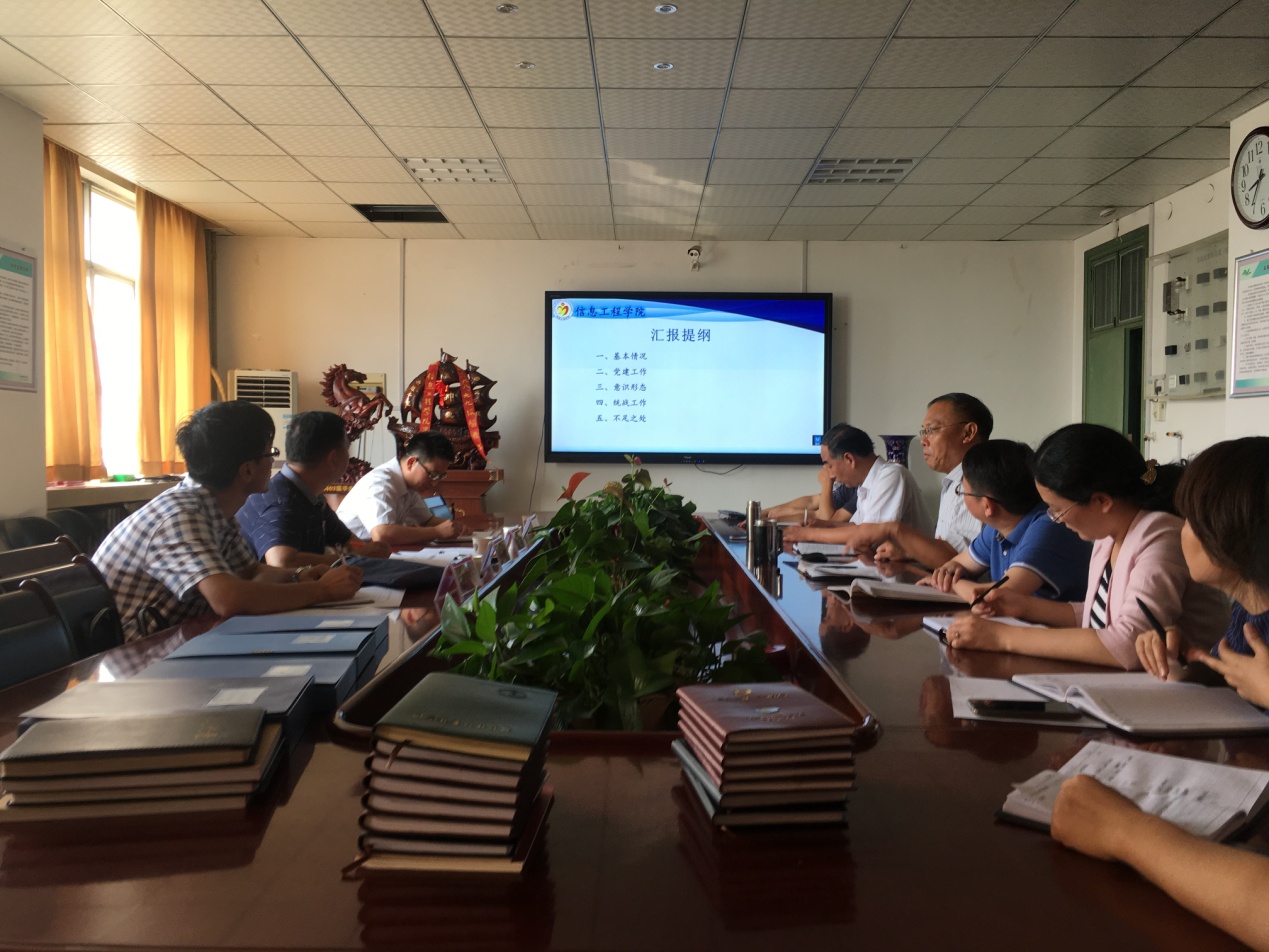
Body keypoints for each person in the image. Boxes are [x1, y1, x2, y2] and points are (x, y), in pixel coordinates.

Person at [943, 423, 1227, 664]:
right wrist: (1022, 607)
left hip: (1199, 690)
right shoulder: (1108, 537)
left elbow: (1129, 643)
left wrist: (1003, 637)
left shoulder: (1159, 537)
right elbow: (1098, 617)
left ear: (1101, 501)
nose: (1055, 519)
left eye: (1058, 509)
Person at [94, 401, 363, 640]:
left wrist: (300, 576)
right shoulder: (180, 516)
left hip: (186, 639)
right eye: (270, 453)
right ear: (247, 470)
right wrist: (322, 590)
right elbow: (229, 599)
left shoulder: (215, 509)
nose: (274, 463)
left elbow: (252, 573)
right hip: (139, 657)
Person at [1136, 437, 1269, 696]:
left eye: (1190, 520)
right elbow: (1236, 686)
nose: (1182, 532)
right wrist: (1183, 661)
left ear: (1233, 529)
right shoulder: (1245, 611)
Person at [926, 439, 1090, 604]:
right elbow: (956, 565)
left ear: (987, 506)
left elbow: (999, 597)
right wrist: (949, 574)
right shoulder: (998, 528)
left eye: (962, 491)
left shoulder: (1048, 527)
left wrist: (951, 584)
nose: (962, 495)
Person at [849, 392, 992, 565]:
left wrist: (893, 530)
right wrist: (907, 556)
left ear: (968, 433)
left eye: (931, 430)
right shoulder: (952, 482)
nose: (923, 440)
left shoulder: (977, 482)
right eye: (923, 431)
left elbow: (959, 562)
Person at [237, 410, 391, 568]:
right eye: (347, 448)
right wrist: (356, 556)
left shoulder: (312, 496)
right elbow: (282, 562)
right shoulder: (281, 502)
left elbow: (348, 541)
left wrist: (366, 550)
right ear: (333, 458)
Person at [783, 425, 932, 550]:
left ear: (849, 459)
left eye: (830, 465)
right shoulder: (865, 484)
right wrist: (823, 526)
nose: (830, 475)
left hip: (913, 571)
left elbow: (868, 534)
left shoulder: (892, 475)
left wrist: (806, 534)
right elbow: (856, 526)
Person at [338, 430, 467, 546]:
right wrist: (437, 532)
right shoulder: (380, 484)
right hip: (349, 555)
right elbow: (382, 535)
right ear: (411, 463)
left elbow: (427, 521)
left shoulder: (410, 486)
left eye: (440, 476)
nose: (434, 483)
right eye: (432, 474)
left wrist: (456, 528)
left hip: (373, 552)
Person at [762, 423, 857, 525]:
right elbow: (812, 501)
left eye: (829, 464)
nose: (826, 469)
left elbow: (826, 520)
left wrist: (826, 483)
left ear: (849, 459)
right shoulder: (848, 486)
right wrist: (763, 513)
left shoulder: (860, 488)